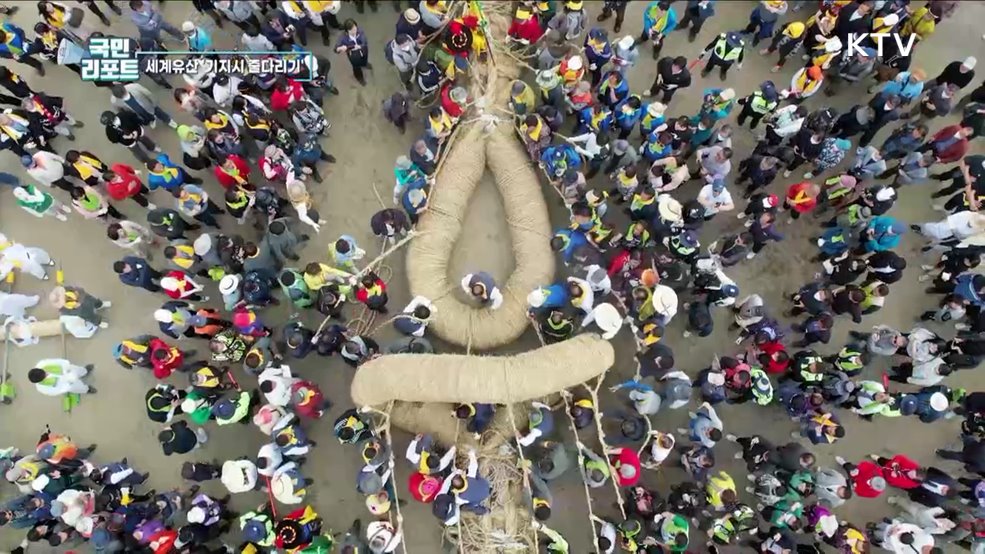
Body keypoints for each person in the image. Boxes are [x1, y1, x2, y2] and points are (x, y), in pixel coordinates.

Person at [28, 359, 94, 396]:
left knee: (79, 370)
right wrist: (67, 386)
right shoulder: (42, 388)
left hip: (68, 370)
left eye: (44, 372)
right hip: (68, 384)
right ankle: (87, 389)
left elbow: (57, 361)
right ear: (40, 380)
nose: (47, 374)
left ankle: (85, 371)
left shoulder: (42, 364)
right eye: (45, 376)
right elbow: (56, 391)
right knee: (79, 388)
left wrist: (66, 366)